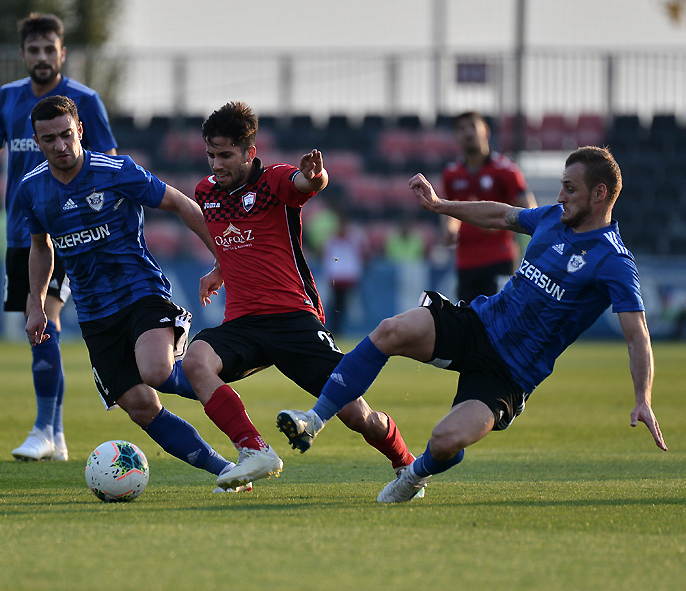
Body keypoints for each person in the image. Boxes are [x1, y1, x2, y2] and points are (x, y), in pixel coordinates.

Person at [277, 146, 668, 503]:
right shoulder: (552, 218)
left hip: (510, 373)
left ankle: (414, 475)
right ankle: (315, 419)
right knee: (390, 330)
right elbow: (500, 214)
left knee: (445, 441)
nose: (561, 195)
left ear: (599, 194)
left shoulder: (614, 261)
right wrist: (441, 205)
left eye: (570, 188)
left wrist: (643, 399)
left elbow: (637, 337)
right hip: (478, 323)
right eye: (562, 186)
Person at [181, 101, 415, 491]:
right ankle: (254, 449)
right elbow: (236, 237)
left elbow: (306, 185)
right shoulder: (206, 192)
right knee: (195, 361)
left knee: (357, 415)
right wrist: (220, 270)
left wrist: (316, 175)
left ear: (249, 153)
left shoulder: (274, 180)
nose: (216, 164)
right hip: (241, 322)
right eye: (210, 154)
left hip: (292, 318)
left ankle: (406, 464)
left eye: (225, 155)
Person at [21, 95, 249, 493]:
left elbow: (181, 204)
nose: (59, 145)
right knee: (141, 406)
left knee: (156, 370)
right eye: (48, 139)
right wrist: (36, 304)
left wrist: (223, 261)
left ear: (80, 131)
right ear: (37, 142)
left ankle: (223, 394)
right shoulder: (32, 190)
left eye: (65, 135)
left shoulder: (115, 171)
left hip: (141, 292)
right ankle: (228, 470)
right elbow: (41, 248)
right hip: (93, 315)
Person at [0, 14, 118, 462]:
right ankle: (55, 434)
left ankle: (43, 429)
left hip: (71, 232)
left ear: (62, 53)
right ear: (23, 55)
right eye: (33, 50)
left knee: (46, 318)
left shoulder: (85, 100)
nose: (41, 57)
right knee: (35, 325)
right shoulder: (9, 99)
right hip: (23, 234)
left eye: (49, 49)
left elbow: (110, 166)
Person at [442, 111, 537, 302]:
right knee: (468, 320)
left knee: (500, 319)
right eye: (461, 129)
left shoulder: (506, 170)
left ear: (486, 131)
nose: (468, 132)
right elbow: (448, 208)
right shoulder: (451, 175)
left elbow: (530, 210)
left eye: (472, 126)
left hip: (499, 258)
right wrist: (449, 230)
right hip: (466, 261)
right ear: (457, 137)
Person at [321, 213, 368, 335]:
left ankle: (343, 330)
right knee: (337, 305)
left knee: (345, 306)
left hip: (347, 276)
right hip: (339, 277)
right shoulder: (334, 239)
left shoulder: (352, 238)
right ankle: (338, 330)